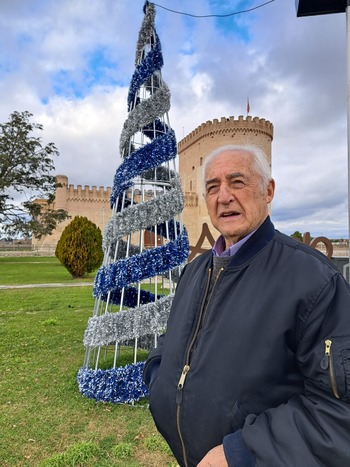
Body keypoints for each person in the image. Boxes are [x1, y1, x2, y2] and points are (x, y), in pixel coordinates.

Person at [143, 144, 350, 467]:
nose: (223, 196)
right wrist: (158, 381)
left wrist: (241, 452)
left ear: (268, 191)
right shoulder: (196, 271)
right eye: (212, 187)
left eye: (237, 182)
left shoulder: (314, 280)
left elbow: (338, 412)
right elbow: (173, 341)